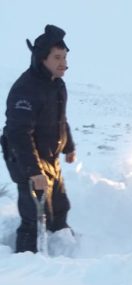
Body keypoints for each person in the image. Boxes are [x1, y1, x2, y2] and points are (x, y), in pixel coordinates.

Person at [1, 25, 76, 253]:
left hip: (49, 155)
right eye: (57, 58)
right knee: (34, 212)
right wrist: (33, 171)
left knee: (59, 205)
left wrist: (68, 146)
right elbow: (18, 135)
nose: (64, 63)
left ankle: (62, 247)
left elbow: (60, 120)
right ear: (41, 59)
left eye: (64, 57)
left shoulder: (56, 84)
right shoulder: (26, 89)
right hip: (23, 156)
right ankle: (27, 262)